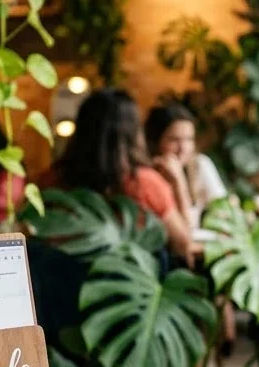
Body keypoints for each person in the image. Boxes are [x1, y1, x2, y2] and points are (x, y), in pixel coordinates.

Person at [40, 88, 194, 266]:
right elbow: (183, 245)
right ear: (134, 133)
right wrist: (179, 183)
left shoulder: (51, 180)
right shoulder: (145, 183)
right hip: (130, 282)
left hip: (63, 280)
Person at [144, 103, 228, 228]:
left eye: (189, 139)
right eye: (174, 140)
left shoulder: (199, 165)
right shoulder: (147, 175)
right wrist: (178, 181)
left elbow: (225, 211)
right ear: (155, 142)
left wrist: (179, 180)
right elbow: (185, 230)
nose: (183, 148)